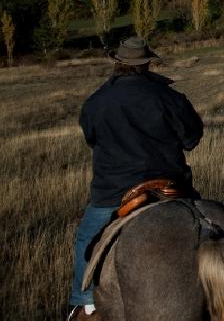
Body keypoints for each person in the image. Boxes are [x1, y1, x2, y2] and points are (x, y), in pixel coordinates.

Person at [67, 37, 204, 320]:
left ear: (118, 62)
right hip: (171, 188)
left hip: (114, 192)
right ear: (147, 63)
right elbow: (192, 138)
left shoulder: (97, 101)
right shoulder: (169, 97)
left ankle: (85, 303)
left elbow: (91, 138)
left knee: (84, 239)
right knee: (209, 224)